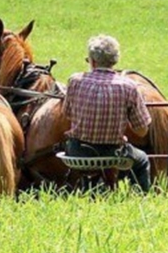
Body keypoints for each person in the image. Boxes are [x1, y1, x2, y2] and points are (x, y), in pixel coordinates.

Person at [64, 34, 152, 191]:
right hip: (113, 153)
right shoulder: (129, 87)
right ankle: (140, 199)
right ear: (115, 60)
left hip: (77, 152)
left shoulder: (75, 81)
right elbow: (142, 131)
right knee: (142, 159)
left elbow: (68, 114)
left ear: (92, 61)